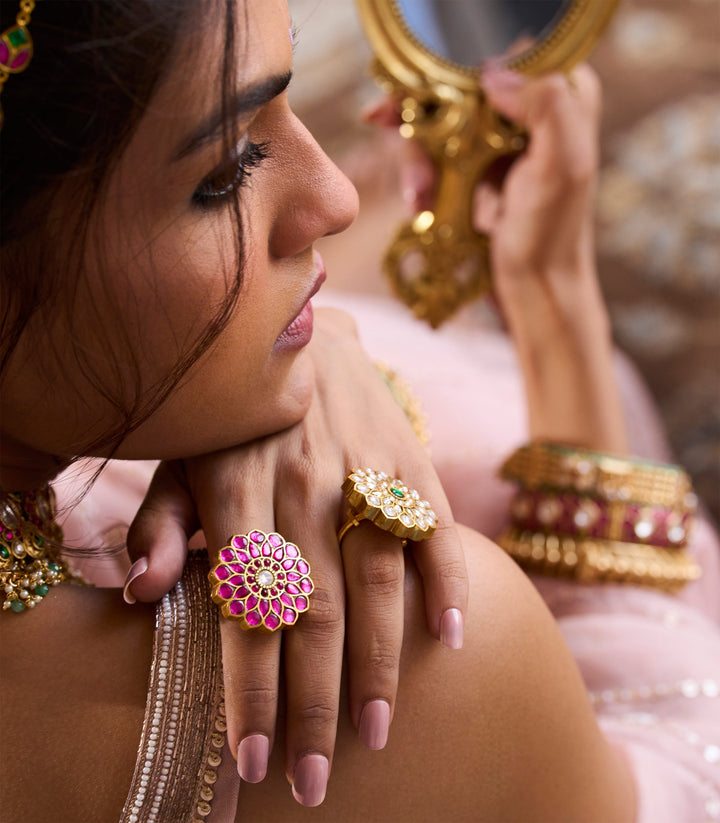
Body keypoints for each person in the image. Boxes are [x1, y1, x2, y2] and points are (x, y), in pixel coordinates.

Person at [0, 1, 718, 822]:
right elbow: (690, 776)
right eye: (225, 172)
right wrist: (557, 307)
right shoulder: (420, 666)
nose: (334, 195)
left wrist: (322, 352)